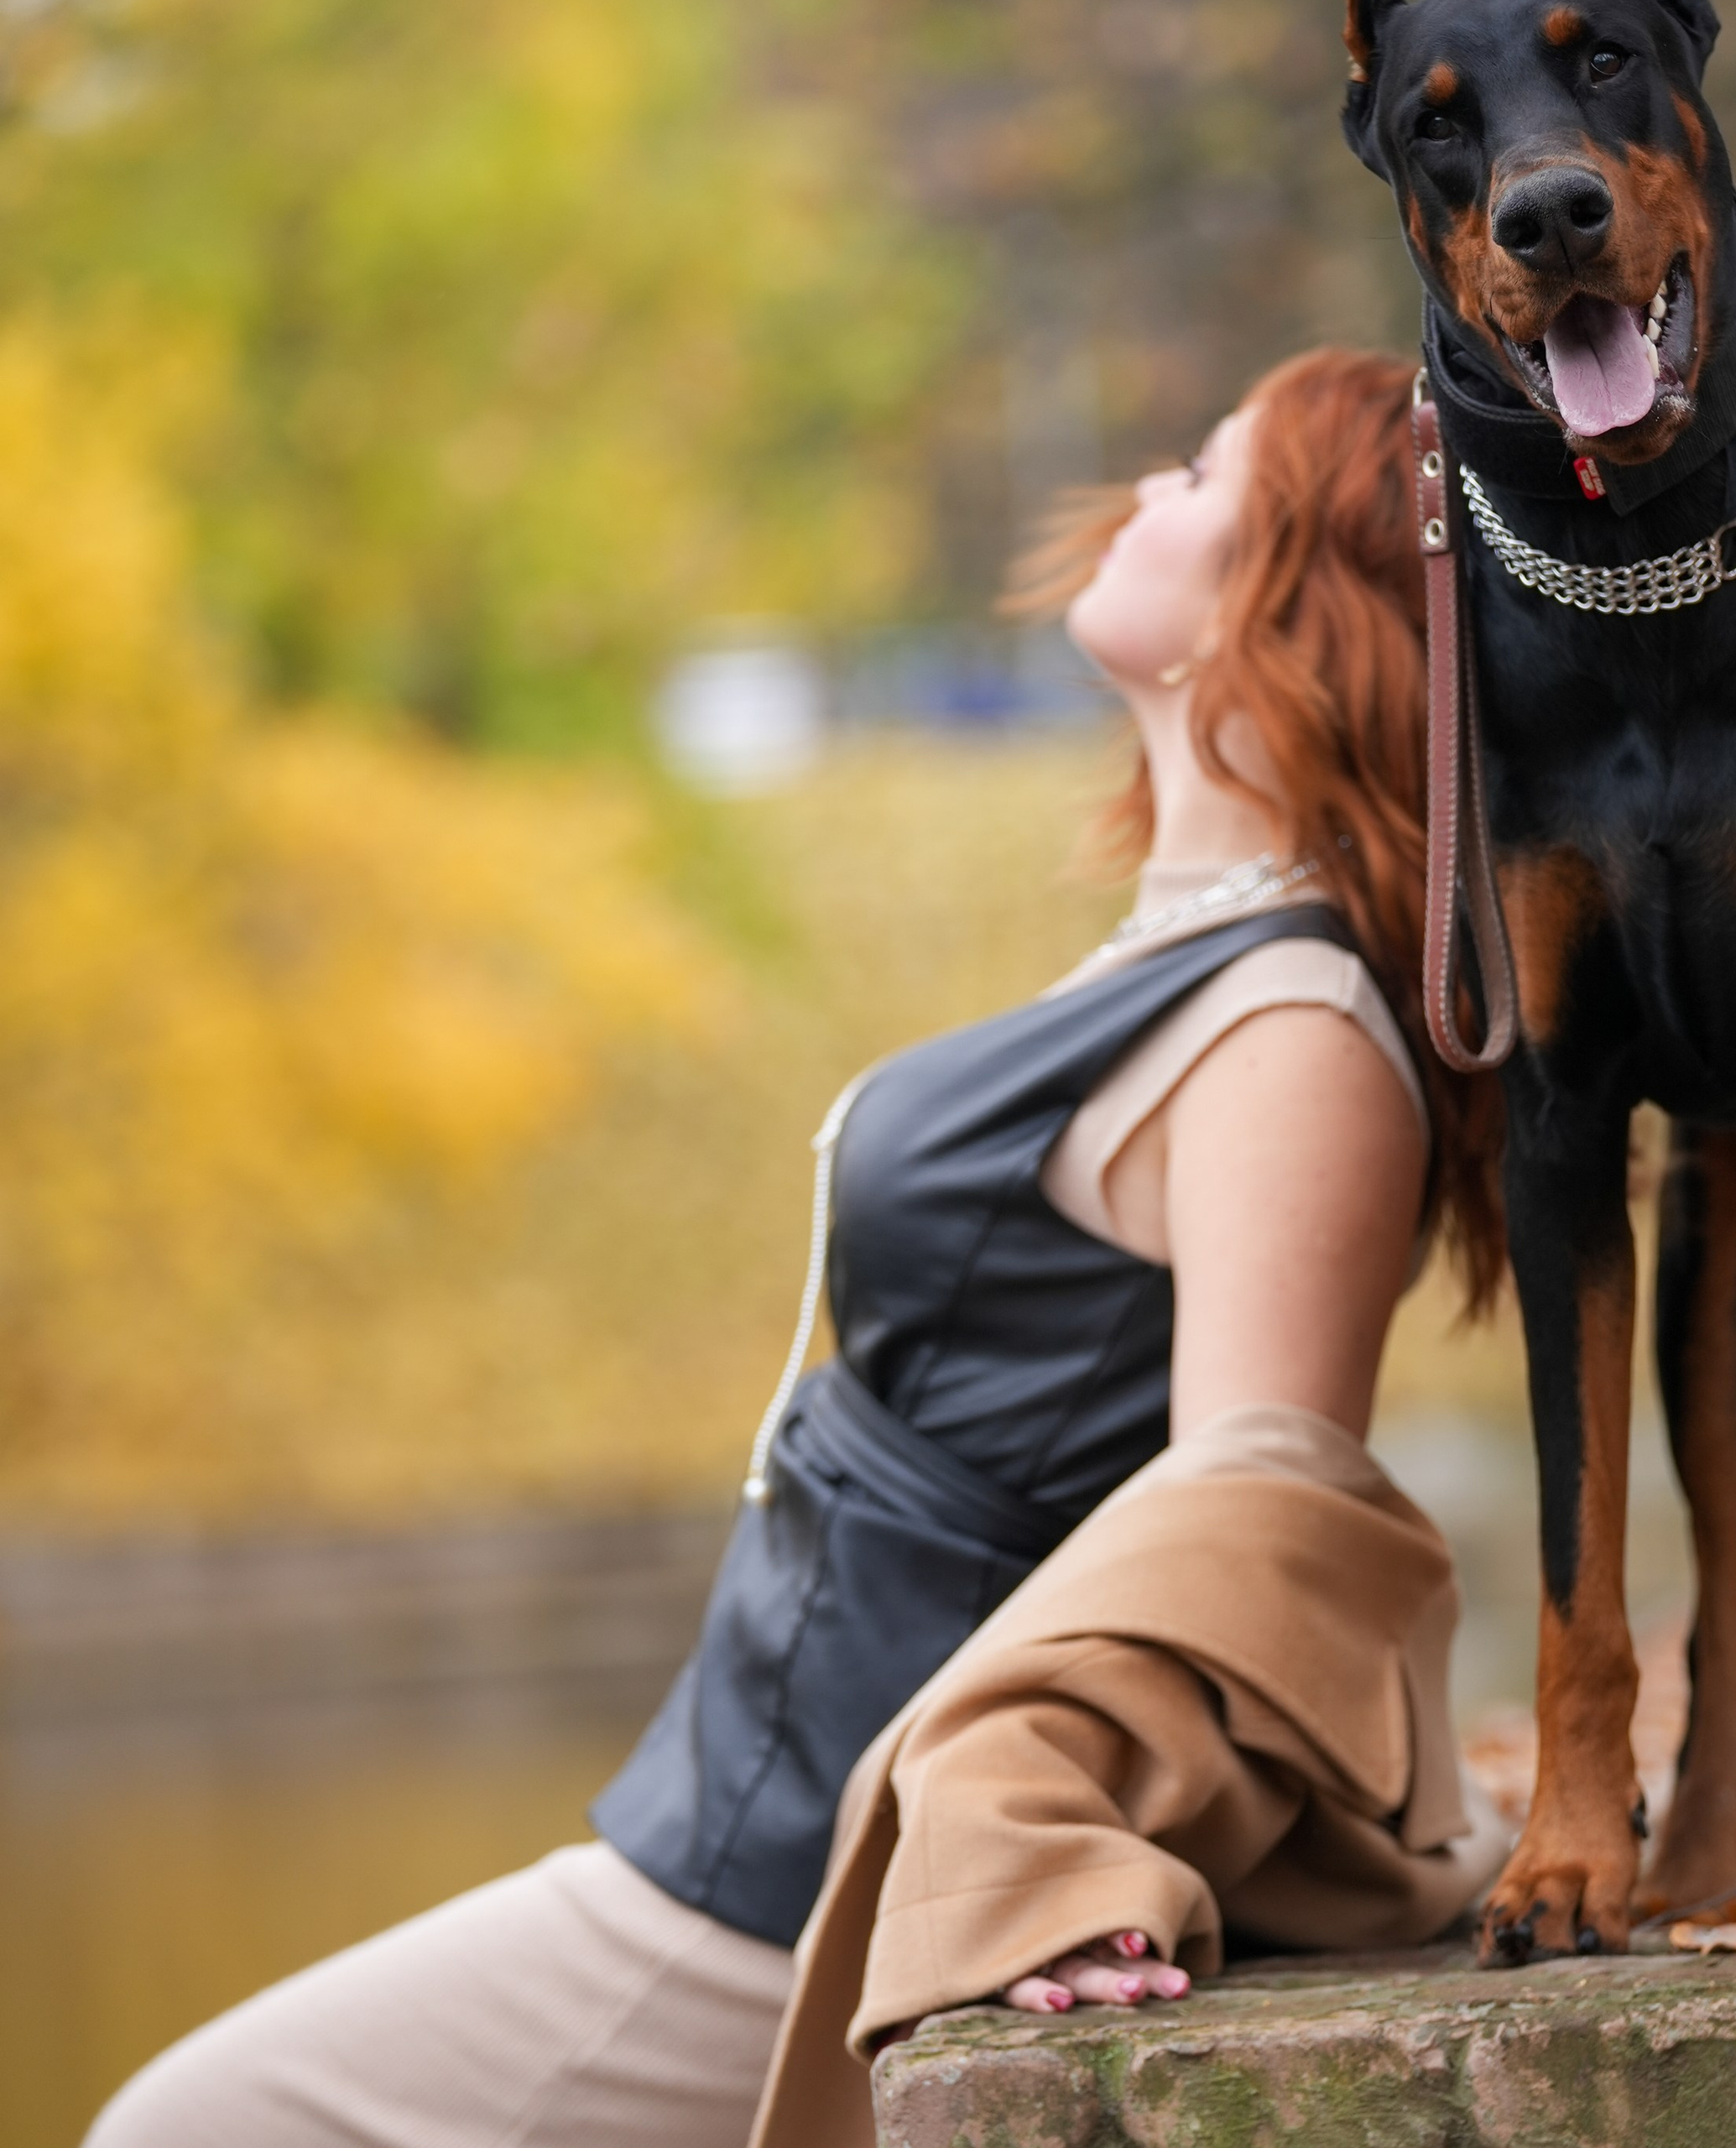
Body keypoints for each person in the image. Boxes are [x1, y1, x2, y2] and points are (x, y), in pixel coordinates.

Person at [86, 346, 1504, 2148]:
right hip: (736, 1797)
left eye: (1208, 472)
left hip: (833, 1856)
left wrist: (1043, 1859)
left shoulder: (1290, 1029)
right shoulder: (1193, 967)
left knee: (186, 2126)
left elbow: (1258, 1522)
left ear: (1306, 595)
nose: (1147, 485)